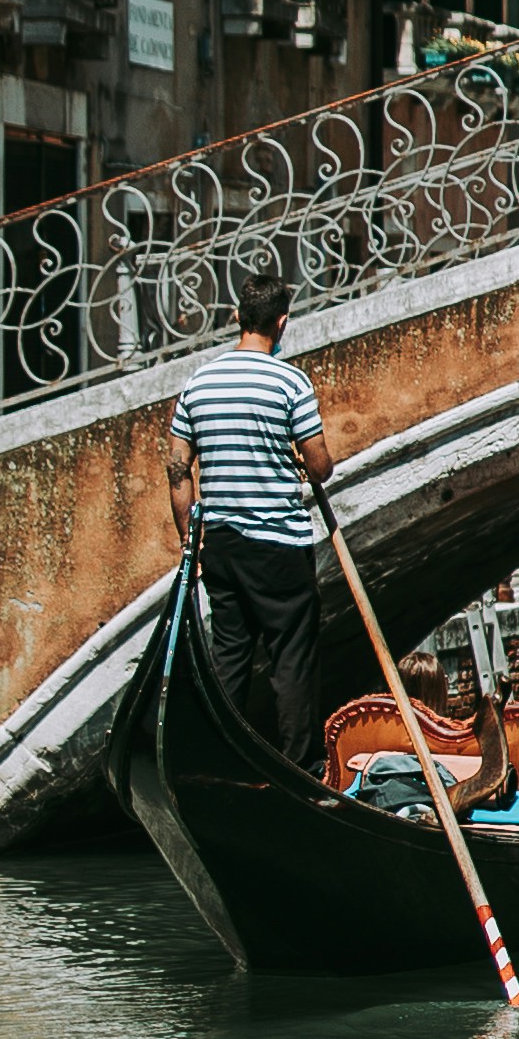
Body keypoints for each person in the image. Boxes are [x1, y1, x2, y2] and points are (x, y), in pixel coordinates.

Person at [166, 264, 333, 760]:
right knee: (292, 661)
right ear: (281, 324)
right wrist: (305, 459)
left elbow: (178, 470)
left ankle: (215, 760)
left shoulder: (198, 383)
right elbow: (320, 466)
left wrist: (189, 540)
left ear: (237, 316)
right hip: (279, 544)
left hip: (220, 542)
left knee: (230, 657)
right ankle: (300, 767)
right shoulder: (290, 382)